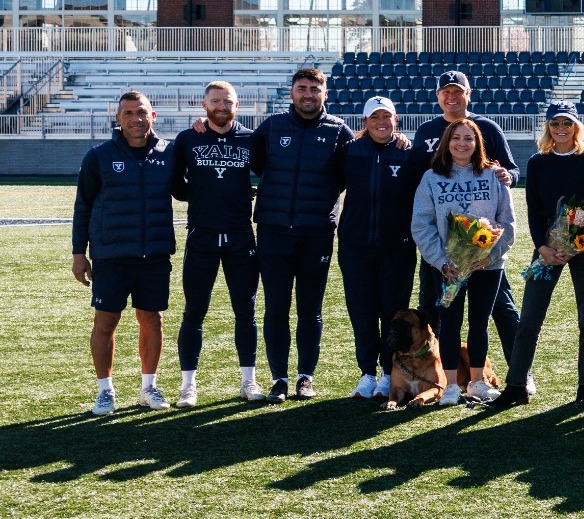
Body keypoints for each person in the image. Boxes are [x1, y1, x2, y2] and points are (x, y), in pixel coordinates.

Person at [249, 67, 351, 403]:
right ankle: (279, 378)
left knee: (311, 309)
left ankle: (305, 377)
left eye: (314, 90)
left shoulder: (338, 131)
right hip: (274, 233)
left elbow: (357, 169)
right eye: (302, 88)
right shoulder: (272, 127)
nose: (308, 95)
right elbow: (247, 157)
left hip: (316, 235)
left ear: (325, 94)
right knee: (276, 307)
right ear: (292, 92)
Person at [496, 102, 584, 409]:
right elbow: (532, 210)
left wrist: (576, 244)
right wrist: (543, 246)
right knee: (530, 316)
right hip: (545, 249)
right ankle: (516, 384)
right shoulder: (537, 162)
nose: (561, 129)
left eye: (566, 124)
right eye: (555, 123)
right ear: (548, 127)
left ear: (576, 127)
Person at [72, 92, 176, 415]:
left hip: (154, 255)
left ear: (153, 116)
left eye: (141, 112)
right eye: (128, 113)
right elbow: (83, 206)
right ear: (118, 119)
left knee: (152, 320)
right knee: (106, 321)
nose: (135, 118)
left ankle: (149, 387)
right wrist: (79, 254)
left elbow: (192, 188)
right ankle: (105, 391)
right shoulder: (98, 157)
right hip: (111, 256)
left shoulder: (169, 153)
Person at [411, 69, 521, 367]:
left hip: (484, 250)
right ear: (438, 97)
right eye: (446, 92)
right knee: (433, 308)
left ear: (467, 95)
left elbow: (511, 171)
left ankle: (519, 370)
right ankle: (437, 373)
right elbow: (419, 179)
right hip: (443, 251)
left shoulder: (486, 127)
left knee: (500, 309)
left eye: (458, 92)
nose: (452, 97)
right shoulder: (425, 132)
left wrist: (503, 176)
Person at [168, 79, 258, 406]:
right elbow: (177, 186)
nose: (222, 107)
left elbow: (272, 172)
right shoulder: (188, 138)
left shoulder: (251, 139)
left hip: (240, 237)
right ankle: (187, 385)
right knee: (194, 311)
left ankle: (249, 381)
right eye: (216, 101)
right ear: (204, 105)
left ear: (237, 105)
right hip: (201, 237)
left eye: (228, 102)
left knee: (245, 311)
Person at [336, 97, 418, 402]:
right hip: (355, 248)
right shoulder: (350, 151)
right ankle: (367, 373)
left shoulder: (409, 153)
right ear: (365, 122)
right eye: (374, 117)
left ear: (396, 119)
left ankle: (389, 374)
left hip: (397, 249)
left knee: (393, 314)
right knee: (362, 312)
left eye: (387, 116)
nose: (381, 122)